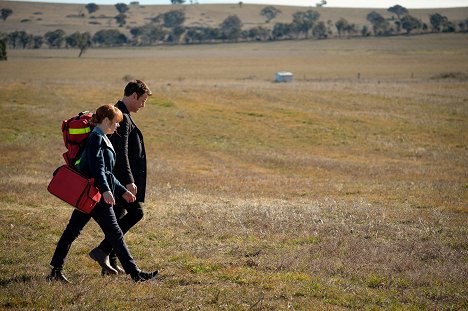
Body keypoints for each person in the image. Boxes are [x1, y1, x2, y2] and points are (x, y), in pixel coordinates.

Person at [48, 104, 158, 283]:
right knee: (114, 233)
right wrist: (106, 191)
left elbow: (108, 173)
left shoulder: (101, 137)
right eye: (116, 122)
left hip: (91, 194)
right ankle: (135, 274)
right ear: (106, 121)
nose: (118, 126)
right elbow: (98, 169)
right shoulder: (96, 139)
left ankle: (55, 271)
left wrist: (122, 191)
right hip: (95, 195)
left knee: (72, 231)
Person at [88, 80, 152, 275]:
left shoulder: (122, 114)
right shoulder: (121, 116)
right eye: (142, 100)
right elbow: (121, 152)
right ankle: (103, 251)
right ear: (133, 95)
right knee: (136, 213)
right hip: (118, 181)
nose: (143, 105)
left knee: (118, 218)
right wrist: (129, 181)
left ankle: (111, 263)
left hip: (117, 180)